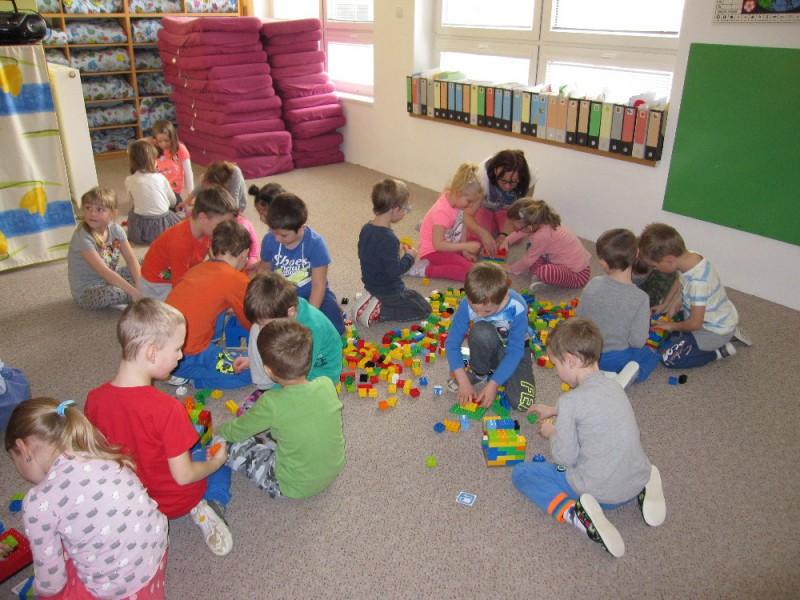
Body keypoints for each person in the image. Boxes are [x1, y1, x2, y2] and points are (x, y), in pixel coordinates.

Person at [85, 299, 234, 556]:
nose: (181, 355)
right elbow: (184, 476)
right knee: (217, 450)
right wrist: (216, 461)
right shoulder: (167, 408)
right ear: (152, 353)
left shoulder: (94, 400)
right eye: (177, 349)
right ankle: (208, 504)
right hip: (176, 499)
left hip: (133, 502)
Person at [511, 318, 666, 558]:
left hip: (599, 494)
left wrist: (553, 432)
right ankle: (645, 482)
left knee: (522, 473)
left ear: (571, 361)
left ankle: (575, 513)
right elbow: (593, 409)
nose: (556, 371)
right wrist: (554, 410)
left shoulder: (570, 401)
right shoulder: (614, 386)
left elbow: (565, 457)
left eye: (556, 364)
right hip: (633, 478)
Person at [5, 397, 168, 599]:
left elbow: (52, 584)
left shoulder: (37, 503)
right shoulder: (96, 453)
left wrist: (42, 591)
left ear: (23, 448)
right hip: (155, 554)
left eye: (15, 460)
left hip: (119, 587)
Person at [218, 319, 345, 499]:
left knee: (229, 446)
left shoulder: (272, 402)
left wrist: (219, 431)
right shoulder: (326, 384)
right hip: (333, 467)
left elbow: (237, 431)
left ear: (268, 371)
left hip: (292, 485)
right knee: (288, 427)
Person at [637, 222, 749, 369]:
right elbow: (680, 280)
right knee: (661, 321)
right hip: (701, 314)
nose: (655, 269)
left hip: (712, 331)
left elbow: (695, 324)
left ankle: (719, 351)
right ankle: (690, 335)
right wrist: (667, 304)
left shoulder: (698, 284)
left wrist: (671, 326)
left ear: (669, 259)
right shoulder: (689, 258)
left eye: (654, 266)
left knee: (668, 358)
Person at [165, 220, 252, 389]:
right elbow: (249, 319)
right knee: (249, 371)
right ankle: (194, 377)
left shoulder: (197, 269)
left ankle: (183, 369)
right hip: (186, 356)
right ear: (245, 253)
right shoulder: (236, 279)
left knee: (218, 309)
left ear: (212, 249)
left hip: (164, 345)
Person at [445, 262, 535, 411]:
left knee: (522, 403)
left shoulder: (517, 307)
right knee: (481, 331)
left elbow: (515, 351)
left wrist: (493, 384)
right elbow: (452, 343)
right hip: (489, 341)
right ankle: (479, 371)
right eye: (474, 309)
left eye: (486, 311)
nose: (479, 315)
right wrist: (463, 380)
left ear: (504, 296)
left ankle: (498, 372)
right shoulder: (466, 304)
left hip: (515, 350)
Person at [233, 271, 342, 393]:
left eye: (266, 324)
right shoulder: (284, 309)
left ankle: (270, 389)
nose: (261, 329)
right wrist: (254, 361)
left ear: (291, 312)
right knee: (255, 329)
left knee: (293, 398)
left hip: (317, 373)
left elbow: (299, 374)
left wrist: (277, 393)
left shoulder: (312, 329)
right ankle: (264, 384)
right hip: (292, 358)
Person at [576, 228, 660, 384]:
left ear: (602, 262)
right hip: (614, 359)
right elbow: (637, 341)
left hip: (586, 353)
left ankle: (594, 372)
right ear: (637, 254)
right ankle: (623, 377)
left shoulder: (593, 283)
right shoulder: (641, 298)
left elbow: (579, 318)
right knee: (650, 355)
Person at [259, 192, 345, 334]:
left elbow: (319, 285)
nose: (277, 239)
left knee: (335, 328)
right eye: (274, 232)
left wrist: (309, 316)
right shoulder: (269, 240)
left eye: (283, 235)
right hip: (282, 296)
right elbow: (265, 270)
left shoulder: (316, 244)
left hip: (313, 293)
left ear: (301, 227)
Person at [138, 185, 238, 300]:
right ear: (203, 218)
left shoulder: (206, 230)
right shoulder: (180, 243)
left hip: (180, 271)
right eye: (222, 224)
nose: (225, 229)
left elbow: (212, 257)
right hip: (157, 284)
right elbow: (180, 287)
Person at [355, 178, 431, 327]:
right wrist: (409, 257)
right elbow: (394, 272)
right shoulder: (389, 239)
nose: (405, 212)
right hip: (388, 291)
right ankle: (382, 311)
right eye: (405, 209)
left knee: (413, 299)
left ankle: (371, 299)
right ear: (395, 209)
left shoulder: (366, 228)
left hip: (370, 284)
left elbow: (363, 255)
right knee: (423, 308)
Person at [67, 186, 141, 310]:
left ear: (113, 213)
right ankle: (133, 294)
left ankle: (137, 290)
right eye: (88, 208)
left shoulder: (116, 230)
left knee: (145, 265)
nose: (92, 213)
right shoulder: (82, 237)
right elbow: (104, 271)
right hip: (88, 291)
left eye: (99, 209)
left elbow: (131, 260)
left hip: (111, 277)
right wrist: (134, 292)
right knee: (114, 293)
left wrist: (140, 285)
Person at [183, 161, 260, 272]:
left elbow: (234, 204)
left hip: (235, 205)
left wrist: (252, 258)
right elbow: (200, 186)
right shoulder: (208, 177)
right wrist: (187, 200)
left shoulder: (235, 174)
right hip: (220, 206)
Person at [413, 163, 484, 282]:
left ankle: (458, 256)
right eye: (469, 201)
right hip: (433, 251)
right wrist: (465, 246)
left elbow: (462, 225)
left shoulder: (458, 203)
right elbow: (438, 245)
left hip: (449, 243)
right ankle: (425, 269)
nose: (471, 205)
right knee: (470, 273)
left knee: (475, 245)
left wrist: (464, 250)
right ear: (458, 193)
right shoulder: (442, 212)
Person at [500, 198, 591, 290]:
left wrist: (511, 268)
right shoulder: (539, 223)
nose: (514, 228)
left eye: (515, 226)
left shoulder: (542, 235)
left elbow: (528, 259)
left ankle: (546, 278)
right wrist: (507, 241)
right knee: (532, 251)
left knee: (543, 271)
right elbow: (521, 232)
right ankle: (547, 274)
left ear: (529, 227)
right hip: (557, 261)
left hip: (578, 275)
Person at [465, 150, 535, 256]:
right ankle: (491, 225)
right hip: (484, 206)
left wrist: (504, 234)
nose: (507, 187)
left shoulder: (529, 176)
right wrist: (483, 233)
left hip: (507, 210)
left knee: (516, 238)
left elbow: (521, 213)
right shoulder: (481, 177)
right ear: (495, 172)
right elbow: (467, 215)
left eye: (513, 182)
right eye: (503, 181)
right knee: (475, 238)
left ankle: (496, 227)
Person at [125, 139, 181, 245]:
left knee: (132, 212)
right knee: (177, 197)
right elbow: (172, 201)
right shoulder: (160, 177)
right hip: (163, 224)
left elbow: (131, 202)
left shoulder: (129, 180)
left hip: (142, 225)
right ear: (152, 161)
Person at [150, 119, 193, 202]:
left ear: (172, 137)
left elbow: (188, 172)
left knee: (175, 206)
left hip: (174, 190)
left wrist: (190, 194)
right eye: (159, 141)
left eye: (166, 141)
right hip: (158, 189)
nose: (163, 144)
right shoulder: (154, 149)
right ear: (155, 140)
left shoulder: (181, 149)